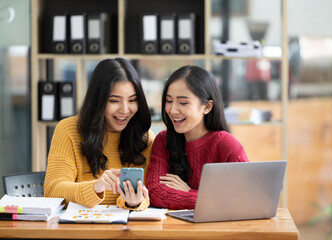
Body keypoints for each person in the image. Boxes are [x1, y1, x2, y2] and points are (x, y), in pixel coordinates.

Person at [45, 58, 154, 211]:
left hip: (126, 231)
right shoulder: (68, 130)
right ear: (98, 101)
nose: (124, 110)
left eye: (132, 100)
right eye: (114, 101)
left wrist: (133, 202)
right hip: (78, 230)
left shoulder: (144, 137)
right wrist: (96, 187)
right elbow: (53, 191)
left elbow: (149, 194)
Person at [145, 65, 249, 210]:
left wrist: (189, 192)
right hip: (174, 230)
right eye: (169, 101)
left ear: (207, 107)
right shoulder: (163, 140)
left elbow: (245, 198)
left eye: (183, 103)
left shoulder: (226, 144)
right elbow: (154, 192)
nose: (173, 110)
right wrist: (207, 199)